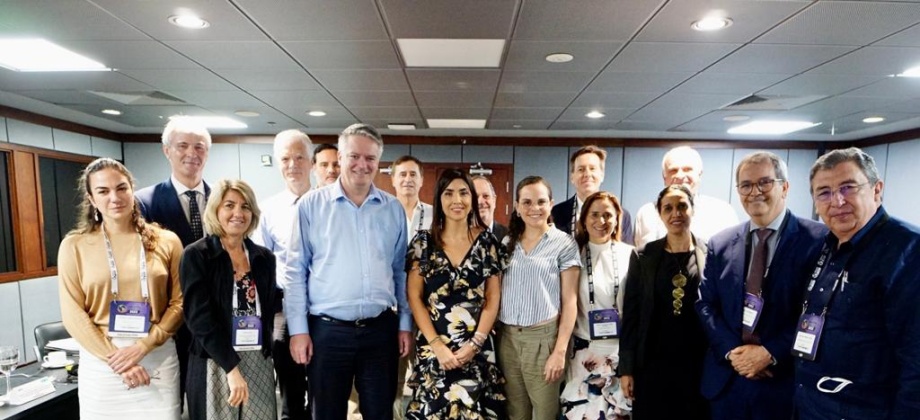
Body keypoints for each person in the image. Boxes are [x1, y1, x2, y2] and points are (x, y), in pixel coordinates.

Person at [284, 123, 412, 420]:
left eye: (370, 159)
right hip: (327, 333)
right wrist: (299, 330)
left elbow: (400, 271)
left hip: (380, 332)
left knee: (380, 413)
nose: (362, 165)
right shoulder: (310, 207)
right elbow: (295, 272)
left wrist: (405, 322)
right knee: (327, 414)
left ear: (379, 163)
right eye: (354, 156)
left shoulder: (392, 209)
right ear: (339, 157)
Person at [696, 152, 827, 420]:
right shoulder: (721, 243)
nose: (754, 192)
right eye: (746, 185)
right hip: (728, 380)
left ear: (785, 187)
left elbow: (820, 311)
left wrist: (770, 353)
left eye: (764, 182)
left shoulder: (819, 240)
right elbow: (705, 304)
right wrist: (733, 353)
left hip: (782, 382)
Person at [794, 147, 920, 419]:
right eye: (824, 192)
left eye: (848, 187)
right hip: (813, 405)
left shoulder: (908, 250)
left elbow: (916, 357)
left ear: (877, 189)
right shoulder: (824, 246)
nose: (837, 201)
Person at [58, 157, 184, 419]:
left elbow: (180, 303)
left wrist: (144, 346)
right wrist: (116, 359)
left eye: (121, 188)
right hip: (103, 362)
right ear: (92, 199)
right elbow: (73, 314)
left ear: (132, 189)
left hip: (156, 356)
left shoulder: (167, 241)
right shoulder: (74, 246)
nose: (114, 197)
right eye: (103, 191)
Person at [404, 169, 506, 419]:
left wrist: (475, 343)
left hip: (477, 350)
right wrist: (437, 345)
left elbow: (493, 299)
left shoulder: (487, 243)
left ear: (472, 198)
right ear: (439, 199)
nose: (456, 200)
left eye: (463, 193)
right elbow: (414, 297)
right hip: (435, 347)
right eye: (448, 193)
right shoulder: (424, 243)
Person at [180, 179, 278, 420]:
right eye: (229, 205)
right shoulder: (197, 255)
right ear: (215, 210)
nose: (238, 213)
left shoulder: (264, 258)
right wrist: (231, 368)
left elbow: (270, 308)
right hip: (215, 361)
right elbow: (198, 319)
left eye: (245, 207)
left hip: (257, 359)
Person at [136, 117, 212, 403]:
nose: (192, 153)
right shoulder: (144, 202)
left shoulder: (223, 200)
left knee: (211, 404)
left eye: (199, 147)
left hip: (213, 323)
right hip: (169, 323)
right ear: (167, 150)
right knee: (168, 402)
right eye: (182, 145)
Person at [619, 185, 709, 419]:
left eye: (682, 206)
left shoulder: (710, 253)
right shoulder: (643, 256)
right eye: (668, 208)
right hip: (651, 363)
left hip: (696, 364)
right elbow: (632, 315)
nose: (675, 213)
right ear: (660, 214)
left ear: (692, 209)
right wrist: (626, 369)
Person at [498, 176, 581, 420]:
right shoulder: (507, 243)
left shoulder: (564, 244)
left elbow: (570, 302)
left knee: (544, 414)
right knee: (516, 413)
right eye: (527, 202)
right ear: (517, 206)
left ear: (551, 204)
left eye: (541, 201)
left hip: (544, 341)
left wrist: (559, 352)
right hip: (509, 340)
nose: (534, 208)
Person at [560, 191, 634, 419]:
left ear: (617, 219)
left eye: (607, 215)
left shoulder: (631, 255)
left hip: (619, 353)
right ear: (583, 219)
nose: (601, 221)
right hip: (583, 354)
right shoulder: (572, 255)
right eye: (594, 214)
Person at [255, 130, 313, 420]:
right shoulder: (266, 209)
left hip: (321, 308)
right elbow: (261, 265)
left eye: (300, 157)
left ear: (311, 162)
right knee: (290, 391)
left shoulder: (328, 205)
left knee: (322, 390)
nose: (293, 165)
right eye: (286, 159)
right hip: (283, 309)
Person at [633, 146, 738, 250]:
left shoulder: (723, 213)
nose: (680, 175)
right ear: (664, 177)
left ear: (699, 174)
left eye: (687, 169)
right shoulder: (646, 213)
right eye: (673, 170)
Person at [552, 146, 634, 245]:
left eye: (592, 168)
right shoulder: (556, 213)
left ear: (602, 175)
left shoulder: (620, 215)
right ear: (572, 177)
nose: (587, 174)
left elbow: (627, 257)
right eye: (581, 169)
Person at [392, 155, 434, 241]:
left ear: (421, 180)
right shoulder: (383, 214)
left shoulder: (434, 214)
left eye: (413, 174)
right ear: (393, 180)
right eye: (403, 174)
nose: (408, 179)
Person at [472, 175, 508, 240]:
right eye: (475, 197)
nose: (480, 202)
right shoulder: (455, 236)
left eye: (486, 196)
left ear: (494, 201)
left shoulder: (509, 236)